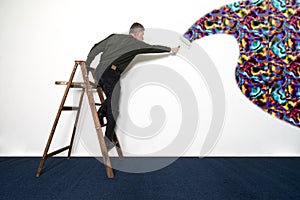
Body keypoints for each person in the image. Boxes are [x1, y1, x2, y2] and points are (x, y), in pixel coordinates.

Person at [85, 22, 179, 151]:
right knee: (115, 108)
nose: (143, 38)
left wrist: (87, 64)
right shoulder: (136, 44)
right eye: (142, 34)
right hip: (111, 74)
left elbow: (96, 48)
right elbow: (152, 48)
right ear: (136, 33)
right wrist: (170, 49)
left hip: (99, 73)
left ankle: (101, 112)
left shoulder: (113, 37)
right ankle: (107, 140)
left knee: (111, 100)